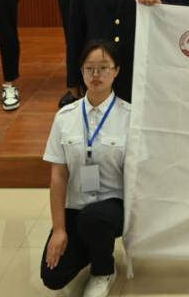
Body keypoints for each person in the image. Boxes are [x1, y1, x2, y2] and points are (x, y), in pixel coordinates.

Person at [41, 40, 129, 297]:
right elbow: (58, 176)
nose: (96, 74)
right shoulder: (65, 117)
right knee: (53, 277)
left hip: (113, 206)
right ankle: (95, 247)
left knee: (96, 218)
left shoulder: (130, 117)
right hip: (77, 207)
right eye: (89, 68)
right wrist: (59, 230)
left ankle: (104, 271)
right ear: (81, 71)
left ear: (116, 71)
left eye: (104, 67)